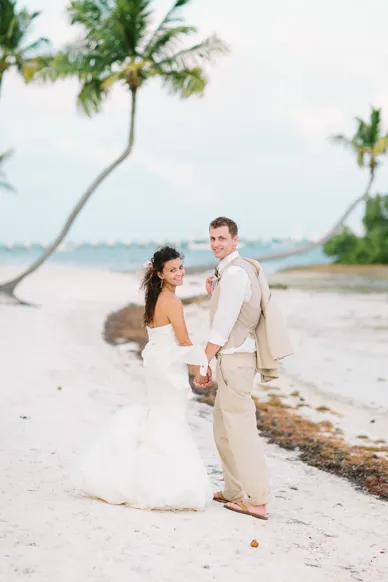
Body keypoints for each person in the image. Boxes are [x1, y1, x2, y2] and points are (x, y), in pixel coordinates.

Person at [72, 245, 213, 510]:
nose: (179, 273)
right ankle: (167, 486)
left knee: (162, 416)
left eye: (180, 267)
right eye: (172, 270)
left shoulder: (155, 298)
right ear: (160, 273)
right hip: (168, 367)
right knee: (171, 419)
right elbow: (183, 341)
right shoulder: (172, 302)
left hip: (157, 364)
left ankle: (150, 479)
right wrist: (201, 369)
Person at [203, 216, 293, 521]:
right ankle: (234, 489)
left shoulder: (235, 274)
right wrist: (214, 291)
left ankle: (257, 500)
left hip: (236, 359)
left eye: (222, 238)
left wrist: (203, 362)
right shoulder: (234, 271)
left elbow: (222, 326)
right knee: (222, 428)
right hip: (234, 358)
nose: (216, 244)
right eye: (212, 238)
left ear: (235, 240)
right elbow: (238, 310)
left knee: (241, 432)